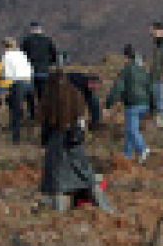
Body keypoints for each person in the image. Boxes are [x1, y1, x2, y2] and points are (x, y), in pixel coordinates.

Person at [38, 70, 111, 212]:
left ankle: (59, 212)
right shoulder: (76, 96)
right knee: (86, 177)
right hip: (74, 142)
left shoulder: (49, 98)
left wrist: (45, 140)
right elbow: (81, 119)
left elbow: (45, 124)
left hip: (56, 143)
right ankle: (105, 208)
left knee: (57, 182)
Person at [105, 44, 153, 162]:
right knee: (129, 130)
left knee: (132, 130)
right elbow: (149, 87)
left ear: (125, 57)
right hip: (145, 104)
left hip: (133, 104)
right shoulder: (143, 70)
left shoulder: (126, 70)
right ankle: (127, 156)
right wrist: (152, 105)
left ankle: (142, 148)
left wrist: (108, 104)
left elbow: (117, 88)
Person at [0, 38, 33, 144]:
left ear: (5, 46)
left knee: (15, 111)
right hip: (29, 82)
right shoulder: (22, 54)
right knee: (31, 110)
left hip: (18, 84)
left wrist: (3, 87)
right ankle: (32, 133)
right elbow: (30, 68)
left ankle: (16, 138)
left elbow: (7, 74)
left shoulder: (6, 56)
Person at [20, 22, 58, 114]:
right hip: (44, 71)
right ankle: (44, 113)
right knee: (43, 94)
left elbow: (22, 56)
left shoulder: (26, 41)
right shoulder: (48, 40)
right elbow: (54, 54)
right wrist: (49, 64)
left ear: (31, 29)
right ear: (41, 29)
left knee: (30, 95)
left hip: (30, 71)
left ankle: (32, 113)